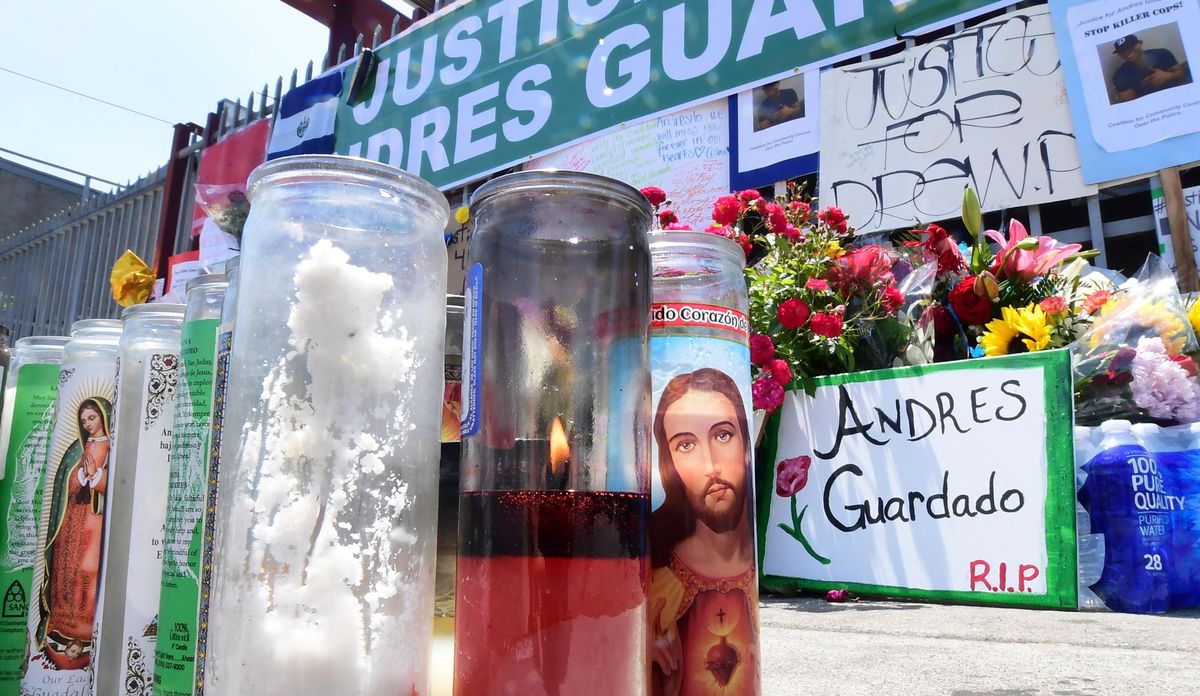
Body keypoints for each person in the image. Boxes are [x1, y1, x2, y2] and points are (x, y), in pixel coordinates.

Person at [650, 369, 759, 696]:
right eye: (686, 445)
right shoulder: (660, 585)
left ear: (745, 446)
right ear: (670, 466)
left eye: (723, 435)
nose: (711, 465)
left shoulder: (751, 563)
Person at [35, 398, 111, 670]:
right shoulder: (75, 448)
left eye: (91, 418)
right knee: (66, 572)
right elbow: (64, 484)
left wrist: (96, 476)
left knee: (87, 571)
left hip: (95, 523)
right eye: (83, 420)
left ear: (103, 417)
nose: (87, 424)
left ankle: (85, 630)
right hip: (71, 524)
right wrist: (79, 475)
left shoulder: (113, 447)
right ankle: (61, 629)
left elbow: (115, 484)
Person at [1110, 33, 1191, 102]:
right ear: (1119, 55)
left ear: (1140, 43)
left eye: (1131, 47)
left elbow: (1181, 73)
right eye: (1122, 51)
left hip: (1176, 98)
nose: (1127, 53)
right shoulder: (1119, 76)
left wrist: (1168, 76)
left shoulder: (1162, 54)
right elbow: (1132, 106)